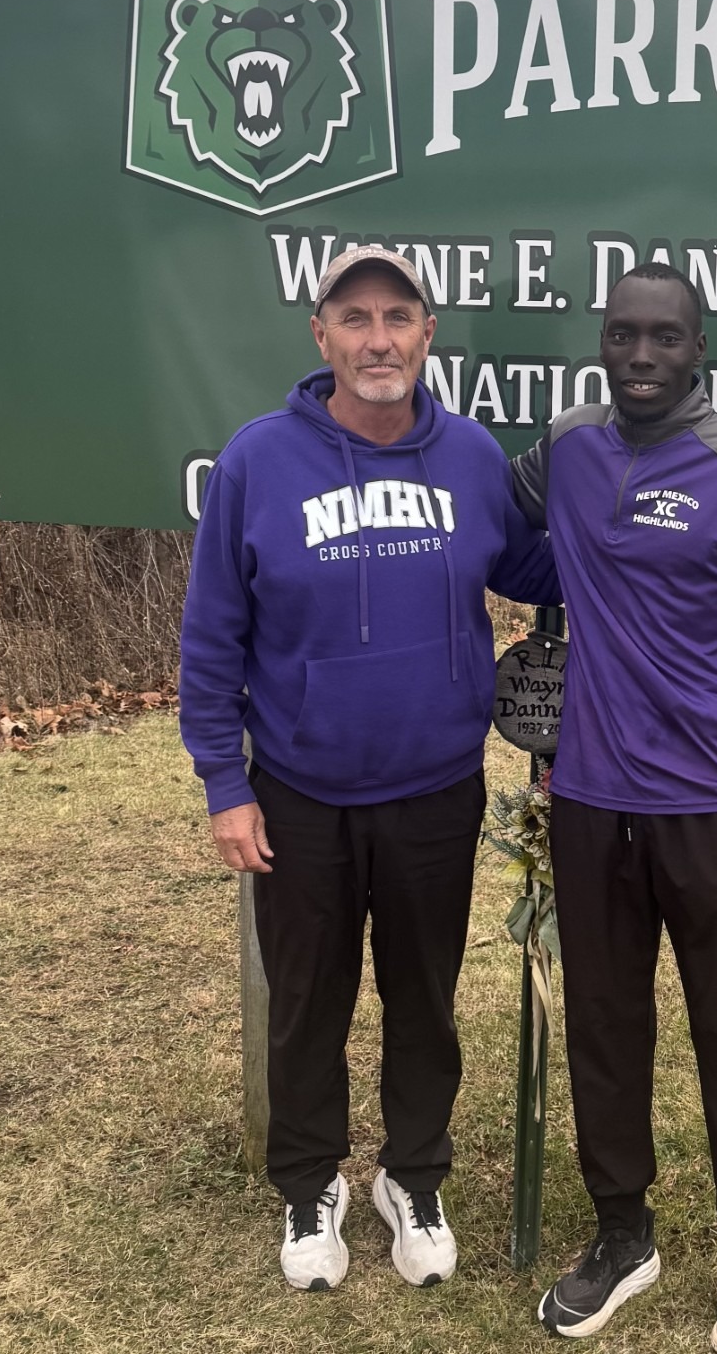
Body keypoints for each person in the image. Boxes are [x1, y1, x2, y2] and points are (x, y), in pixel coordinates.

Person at [178, 245, 557, 1293]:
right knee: (307, 999)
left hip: (436, 785)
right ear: (322, 336)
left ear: (429, 333)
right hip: (298, 791)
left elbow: (537, 566)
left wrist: (629, 511)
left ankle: (412, 1175)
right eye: (356, 318)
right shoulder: (260, 460)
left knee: (424, 996)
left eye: (399, 316)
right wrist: (225, 782)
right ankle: (311, 1182)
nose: (378, 338)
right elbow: (211, 636)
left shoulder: (474, 458)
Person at [511, 261, 717, 1353]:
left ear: (700, 349)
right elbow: (485, 506)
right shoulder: (568, 450)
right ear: (603, 342)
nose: (641, 357)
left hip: (711, 814)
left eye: (665, 338)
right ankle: (621, 1233)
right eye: (622, 335)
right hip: (592, 801)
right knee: (604, 1026)